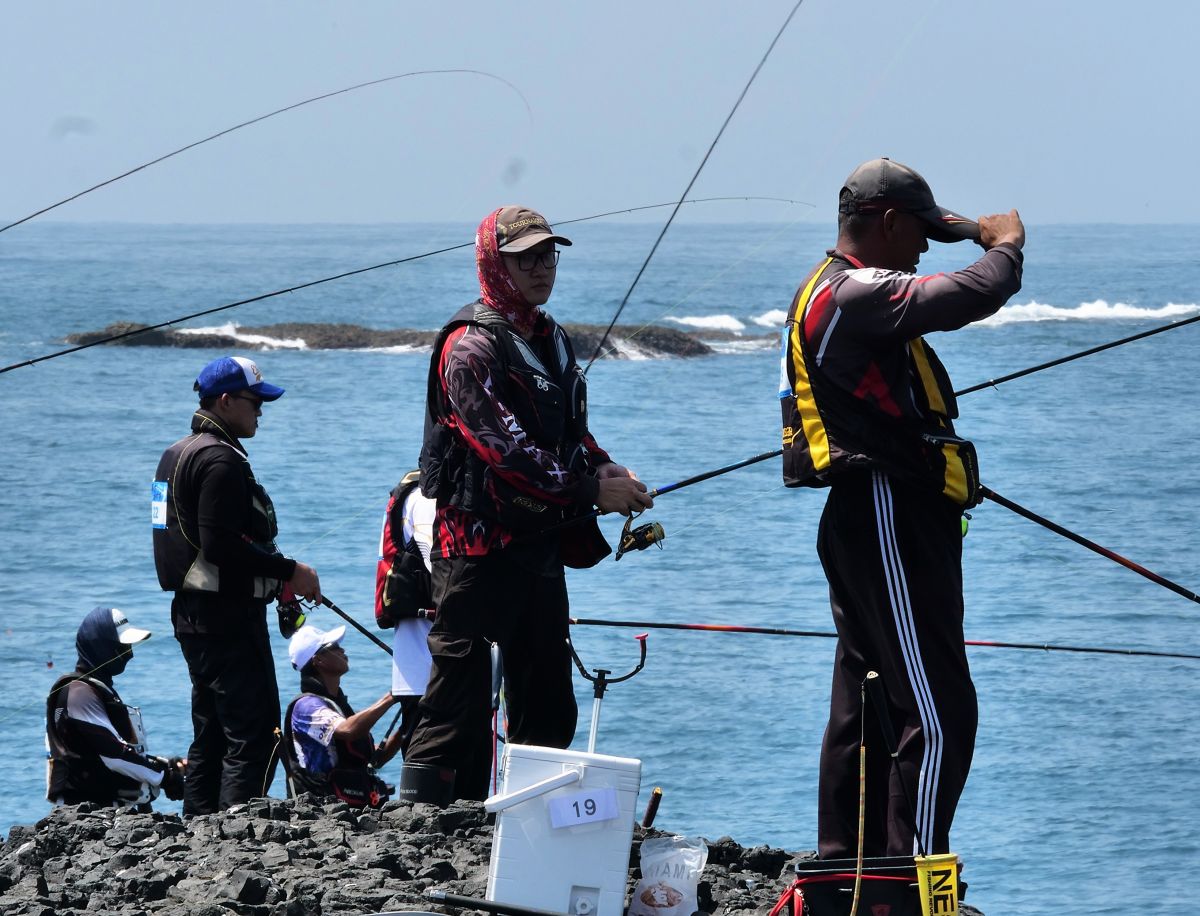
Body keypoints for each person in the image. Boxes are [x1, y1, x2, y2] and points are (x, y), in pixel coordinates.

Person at [779, 158, 1024, 858]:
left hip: (872, 513)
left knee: (868, 702)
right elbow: (974, 291)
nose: (923, 249)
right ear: (887, 223)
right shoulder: (855, 292)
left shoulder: (835, 287)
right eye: (920, 233)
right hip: (886, 509)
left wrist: (967, 229)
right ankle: (913, 874)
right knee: (940, 710)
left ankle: (849, 874)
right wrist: (1005, 246)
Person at [407, 205, 653, 801]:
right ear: (495, 264)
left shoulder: (552, 338)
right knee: (456, 704)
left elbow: (570, 433)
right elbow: (503, 447)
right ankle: (420, 828)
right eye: (526, 259)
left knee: (548, 701)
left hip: (538, 544)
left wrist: (604, 466)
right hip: (475, 551)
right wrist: (592, 491)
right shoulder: (468, 346)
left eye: (549, 256)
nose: (542, 268)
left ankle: (529, 819)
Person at [152, 356, 322, 815]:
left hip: (192, 616)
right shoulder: (220, 460)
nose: (261, 411)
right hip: (227, 618)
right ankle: (235, 832)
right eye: (254, 401)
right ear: (226, 401)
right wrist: (289, 570)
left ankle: (198, 829)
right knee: (255, 732)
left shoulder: (173, 455)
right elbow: (221, 546)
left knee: (211, 731)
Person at [46, 606, 185, 808]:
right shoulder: (79, 693)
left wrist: (164, 764)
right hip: (84, 811)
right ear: (102, 648)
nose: (130, 655)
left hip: (106, 807)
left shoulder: (94, 689)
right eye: (123, 647)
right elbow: (115, 756)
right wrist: (165, 777)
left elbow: (111, 748)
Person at [281, 624, 402, 807]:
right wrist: (393, 696)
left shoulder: (336, 705)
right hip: (319, 810)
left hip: (348, 807)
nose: (342, 650)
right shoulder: (306, 706)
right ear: (318, 660)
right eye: (334, 647)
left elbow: (376, 759)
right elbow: (348, 730)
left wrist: (407, 724)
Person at [374, 469, 436, 756]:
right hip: (430, 664)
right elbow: (446, 570)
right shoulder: (426, 498)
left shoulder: (416, 494)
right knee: (433, 758)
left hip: (417, 665)